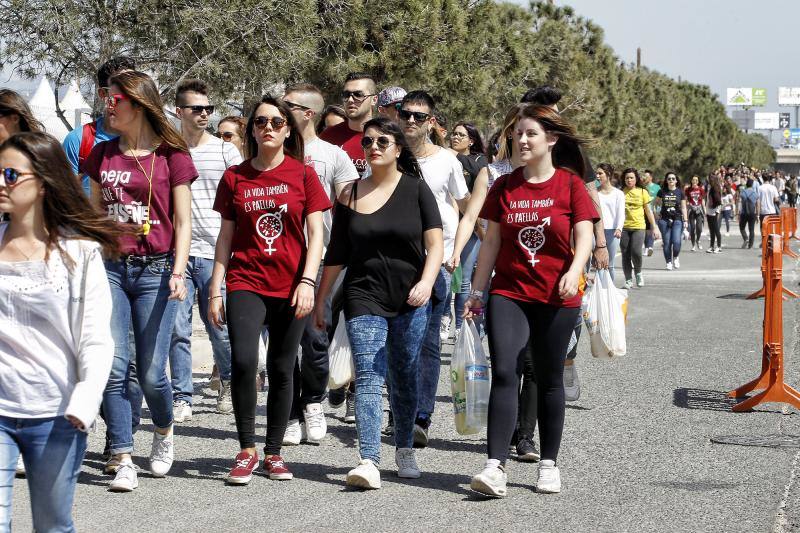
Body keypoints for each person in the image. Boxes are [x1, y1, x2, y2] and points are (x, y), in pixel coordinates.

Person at [465, 104, 597, 497]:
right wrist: (476, 290)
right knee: (505, 370)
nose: (521, 140)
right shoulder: (504, 187)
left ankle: (548, 463)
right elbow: (491, 242)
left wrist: (575, 271)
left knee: (548, 377)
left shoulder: (571, 186)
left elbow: (585, 236)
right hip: (510, 292)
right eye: (517, 134)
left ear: (551, 140)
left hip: (558, 295)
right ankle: (494, 466)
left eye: (530, 134)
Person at [82, 70, 196, 491]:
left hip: (157, 270)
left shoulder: (172, 156)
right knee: (114, 365)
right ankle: (124, 455)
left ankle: (164, 429)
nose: (108, 106)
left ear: (139, 103)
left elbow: (183, 222)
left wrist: (180, 271)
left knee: (151, 374)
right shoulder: (101, 153)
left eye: (116, 99)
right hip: (111, 268)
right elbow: (93, 213)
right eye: (107, 99)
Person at [315, 116, 443, 489]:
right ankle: (369, 459)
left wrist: (426, 282)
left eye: (382, 141)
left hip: (410, 295)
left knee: (403, 373)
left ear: (397, 148)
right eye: (367, 142)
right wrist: (322, 300)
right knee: (369, 373)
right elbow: (336, 253)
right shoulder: (349, 194)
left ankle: (404, 447)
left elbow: (435, 245)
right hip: (363, 293)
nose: (372, 147)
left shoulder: (417, 190)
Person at [0, 132, 118, 532]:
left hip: (57, 414)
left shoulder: (79, 253)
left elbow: (96, 338)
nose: (2, 182)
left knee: (51, 525)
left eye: (11, 174)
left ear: (44, 182)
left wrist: (85, 403)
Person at [208, 96, 329, 485]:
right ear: (252, 130)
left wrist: (309, 282)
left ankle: (274, 453)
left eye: (277, 122)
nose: (269, 128)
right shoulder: (236, 177)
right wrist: (215, 287)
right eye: (261, 122)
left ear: (288, 129)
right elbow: (225, 237)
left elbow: (316, 235)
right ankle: (246, 449)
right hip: (245, 281)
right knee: (244, 361)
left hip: (293, 284)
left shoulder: (303, 175)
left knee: (281, 366)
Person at [281, 83, 358, 445]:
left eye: (288, 106)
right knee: (283, 340)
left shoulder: (332, 155)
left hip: (322, 259)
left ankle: (312, 401)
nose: (279, 111)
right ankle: (291, 412)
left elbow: (351, 206)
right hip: (278, 258)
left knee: (315, 336)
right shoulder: (272, 150)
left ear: (307, 113)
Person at [396, 90, 469, 447]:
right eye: (405, 113)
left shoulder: (447, 162)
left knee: (425, 344)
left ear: (431, 122)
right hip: (392, 263)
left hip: (436, 264)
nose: (410, 120)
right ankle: (401, 409)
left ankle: (420, 416)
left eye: (418, 116)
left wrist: (457, 250)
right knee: (395, 343)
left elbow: (466, 205)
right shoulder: (386, 154)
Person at [168, 79, 243, 421]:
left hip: (217, 255)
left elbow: (240, 200)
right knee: (178, 331)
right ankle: (182, 395)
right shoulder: (167, 148)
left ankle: (227, 380)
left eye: (208, 109)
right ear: (179, 111)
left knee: (219, 329)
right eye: (196, 109)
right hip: (178, 252)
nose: (203, 115)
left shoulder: (226, 150)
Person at [519, 86, 609, 271]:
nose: (557, 119)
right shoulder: (515, 146)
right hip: (522, 244)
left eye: (556, 113)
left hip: (566, 244)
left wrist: (600, 243)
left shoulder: (570, 148)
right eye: (551, 114)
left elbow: (591, 192)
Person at [63, 56, 136, 195]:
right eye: (121, 88)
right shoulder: (78, 140)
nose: (130, 93)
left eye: (133, 86)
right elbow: (64, 199)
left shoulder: (151, 140)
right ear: (103, 94)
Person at [444, 121, 488, 338]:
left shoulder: (478, 162)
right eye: (454, 134)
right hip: (446, 227)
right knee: (447, 277)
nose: (455, 137)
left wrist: (453, 156)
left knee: (466, 280)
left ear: (471, 140)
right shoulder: (445, 158)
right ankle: (446, 317)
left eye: (461, 135)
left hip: (472, 227)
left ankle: (466, 326)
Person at [320, 72, 377, 177]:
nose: (350, 100)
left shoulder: (386, 138)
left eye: (358, 95)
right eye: (346, 95)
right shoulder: (327, 137)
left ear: (374, 100)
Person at [620, 168, 659, 288]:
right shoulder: (621, 192)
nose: (629, 180)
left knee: (636, 252)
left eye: (631, 177)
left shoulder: (642, 192)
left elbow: (648, 211)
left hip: (639, 227)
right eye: (627, 178)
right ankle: (628, 280)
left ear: (636, 179)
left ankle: (638, 272)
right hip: (624, 228)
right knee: (625, 254)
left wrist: (654, 227)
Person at [655, 172, 688, 270]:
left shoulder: (680, 192)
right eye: (669, 179)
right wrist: (656, 214)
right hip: (664, 220)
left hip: (677, 219)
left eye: (673, 178)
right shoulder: (662, 192)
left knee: (676, 241)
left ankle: (676, 257)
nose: (671, 180)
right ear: (666, 180)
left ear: (676, 181)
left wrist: (685, 220)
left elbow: (683, 207)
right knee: (667, 242)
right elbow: (655, 204)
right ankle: (668, 262)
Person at [597, 163, 624, 280]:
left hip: (612, 231)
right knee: (599, 263)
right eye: (596, 173)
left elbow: (621, 213)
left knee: (610, 264)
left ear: (608, 175)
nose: (597, 176)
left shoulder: (618, 194)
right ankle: (599, 291)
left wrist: (619, 228)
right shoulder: (594, 193)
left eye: (600, 173)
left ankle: (610, 291)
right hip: (598, 231)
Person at [685, 176, 705, 251]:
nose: (695, 181)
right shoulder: (688, 190)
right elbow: (686, 199)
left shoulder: (701, 189)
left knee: (699, 228)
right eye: (693, 180)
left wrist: (705, 210)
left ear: (698, 181)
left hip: (699, 210)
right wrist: (687, 205)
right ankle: (693, 245)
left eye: (696, 180)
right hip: (691, 210)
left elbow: (703, 200)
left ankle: (698, 240)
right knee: (692, 228)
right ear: (691, 181)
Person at [642, 170, 660, 256]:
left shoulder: (657, 187)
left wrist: (658, 211)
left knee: (653, 229)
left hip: (653, 212)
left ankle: (650, 247)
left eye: (646, 176)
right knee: (646, 231)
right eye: (643, 176)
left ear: (651, 177)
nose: (644, 178)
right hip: (643, 212)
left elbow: (660, 201)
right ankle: (646, 247)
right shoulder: (642, 187)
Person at [705, 173, 723, 254]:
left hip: (714, 211)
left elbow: (719, 201)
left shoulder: (715, 188)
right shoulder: (711, 187)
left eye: (709, 178)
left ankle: (719, 247)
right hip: (709, 211)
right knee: (711, 230)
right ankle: (711, 246)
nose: (708, 180)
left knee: (716, 230)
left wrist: (716, 209)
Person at [739, 178, 758, 249]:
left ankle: (745, 238)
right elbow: (758, 204)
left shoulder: (743, 192)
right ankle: (750, 245)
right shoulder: (755, 193)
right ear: (752, 185)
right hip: (752, 213)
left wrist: (738, 212)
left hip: (744, 213)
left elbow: (740, 202)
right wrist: (758, 215)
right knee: (751, 229)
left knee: (741, 227)